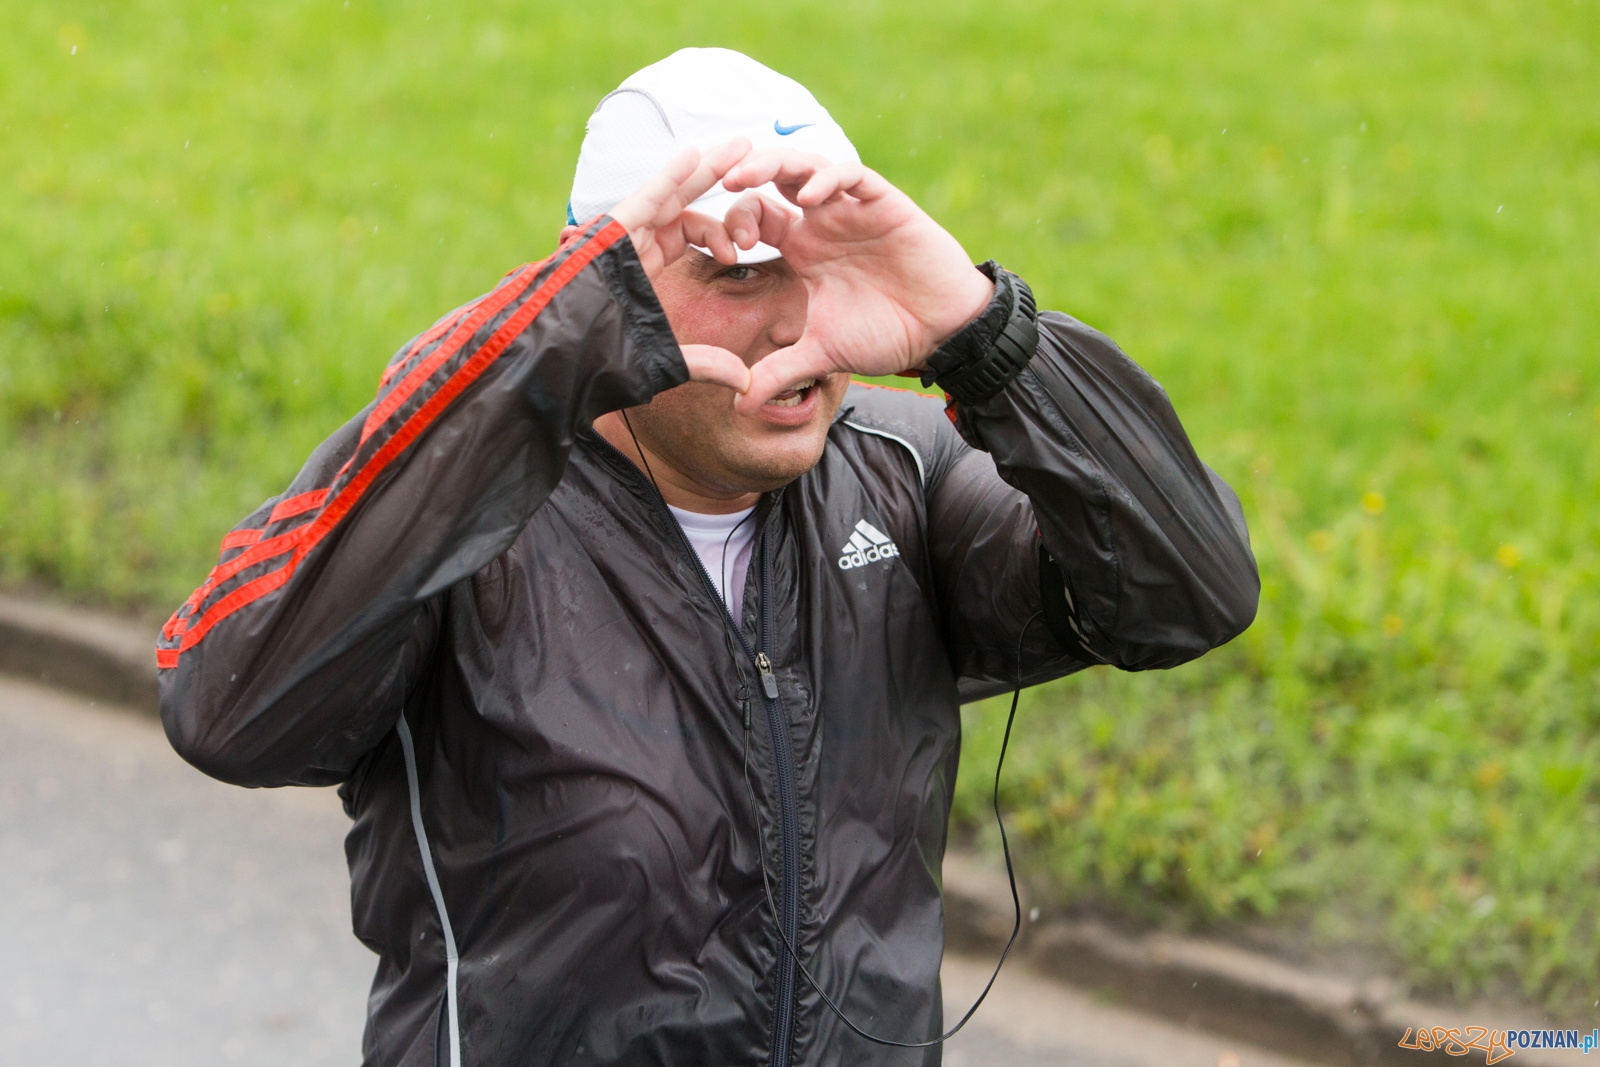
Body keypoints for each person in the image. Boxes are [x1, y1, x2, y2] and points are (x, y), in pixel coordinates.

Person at [157, 47, 1258, 1067]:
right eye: (737, 273)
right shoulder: (463, 509)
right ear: (608, 294)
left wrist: (986, 332)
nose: (792, 323)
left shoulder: (900, 476)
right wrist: (536, 354)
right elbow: (231, 708)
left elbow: (1190, 594)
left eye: (823, 264)